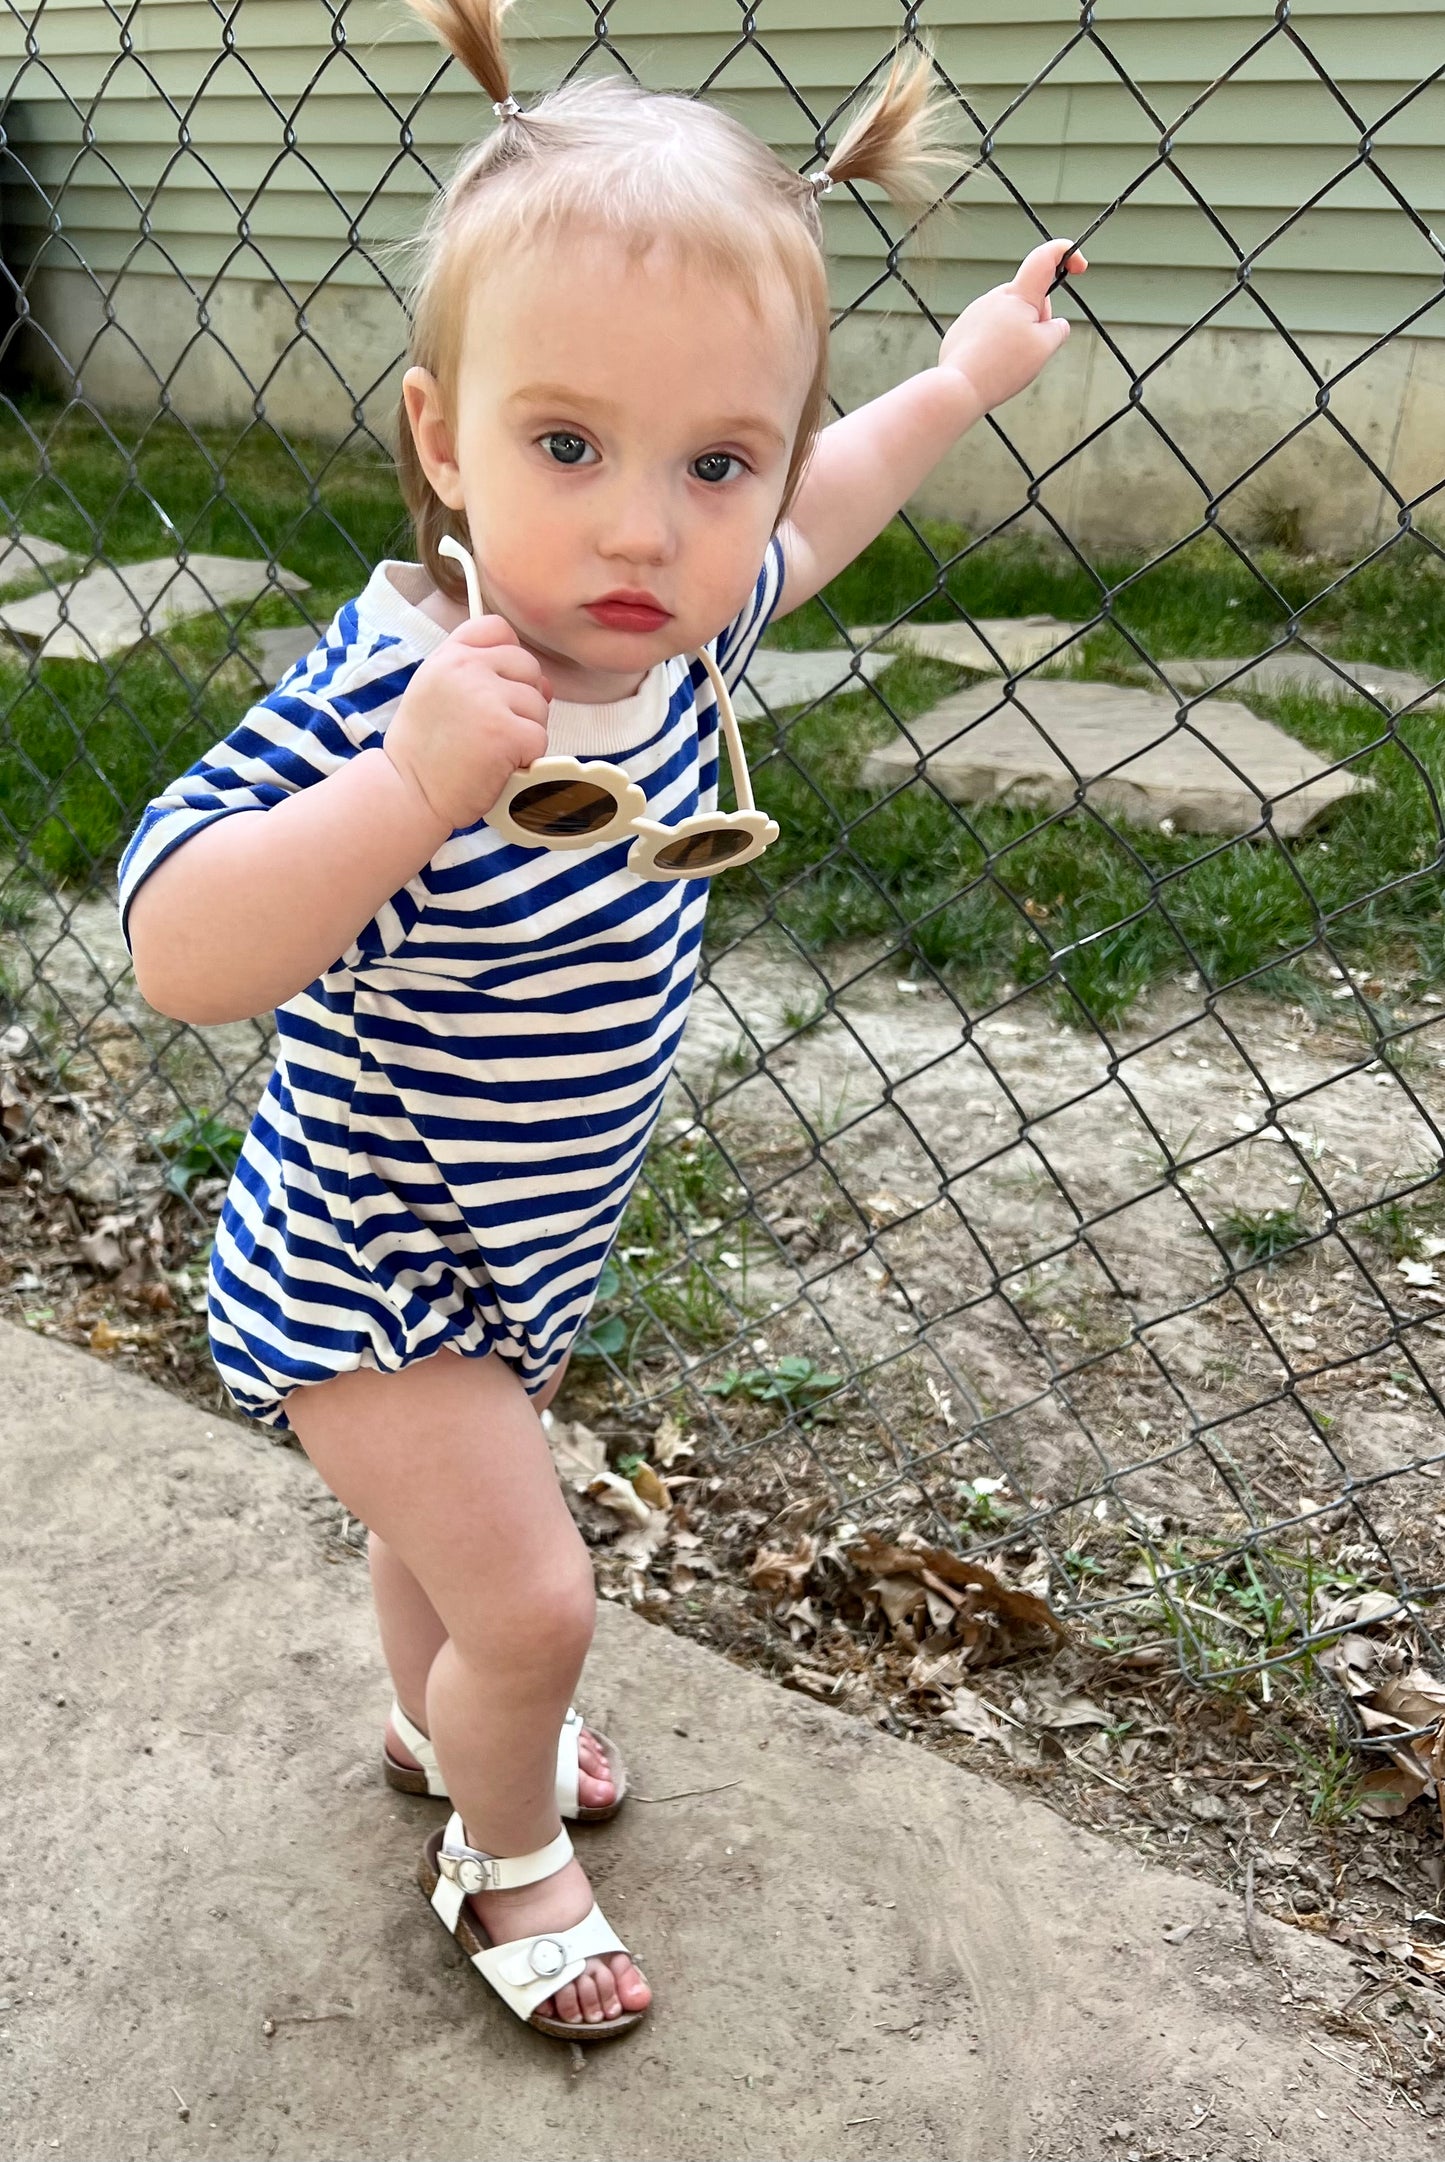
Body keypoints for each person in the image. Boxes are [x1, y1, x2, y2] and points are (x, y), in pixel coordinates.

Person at [118, 0, 1086, 2046]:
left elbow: (835, 493)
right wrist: (404, 796)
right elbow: (178, 946)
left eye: (709, 456)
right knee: (542, 1597)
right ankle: (499, 1854)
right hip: (366, 1257)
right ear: (444, 438)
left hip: (515, 1243)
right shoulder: (401, 692)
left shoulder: (680, 618)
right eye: (570, 445)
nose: (649, 526)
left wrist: (965, 375)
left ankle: (444, 1709)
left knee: (459, 1570)